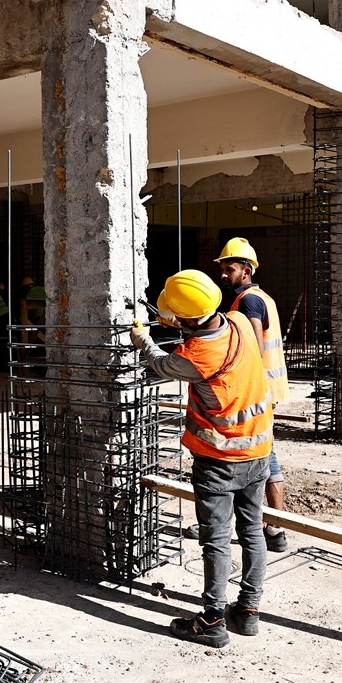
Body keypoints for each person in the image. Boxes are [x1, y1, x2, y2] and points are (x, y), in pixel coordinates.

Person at [130, 270, 273, 648]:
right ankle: (247, 611)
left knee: (217, 539)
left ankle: (212, 619)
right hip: (259, 450)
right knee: (253, 531)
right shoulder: (240, 320)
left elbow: (160, 363)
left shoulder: (193, 356)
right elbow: (205, 329)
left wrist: (143, 338)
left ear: (188, 319)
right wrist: (177, 320)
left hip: (219, 458)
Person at [215, 237, 290, 553]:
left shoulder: (248, 302)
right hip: (266, 389)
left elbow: (254, 347)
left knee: (262, 456)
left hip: (256, 390)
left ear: (246, 270)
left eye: (229, 269)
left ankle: (274, 529)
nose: (223, 275)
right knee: (263, 454)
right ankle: (273, 528)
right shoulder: (260, 297)